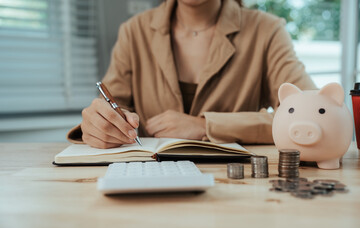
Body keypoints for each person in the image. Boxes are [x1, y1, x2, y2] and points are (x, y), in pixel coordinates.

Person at [67, 0, 316, 149]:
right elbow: (113, 108)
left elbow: (311, 113)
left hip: (237, 188)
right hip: (147, 182)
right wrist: (100, 126)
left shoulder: (267, 31)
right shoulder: (134, 31)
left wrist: (206, 126)